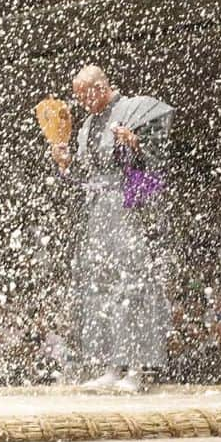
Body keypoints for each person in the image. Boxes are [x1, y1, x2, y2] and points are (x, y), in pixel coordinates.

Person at [52, 65, 174, 392]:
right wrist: (65, 164)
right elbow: (83, 176)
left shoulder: (131, 110)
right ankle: (110, 365)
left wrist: (135, 144)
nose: (82, 103)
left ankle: (136, 368)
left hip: (128, 204)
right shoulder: (87, 126)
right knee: (101, 284)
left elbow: (156, 163)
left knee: (132, 283)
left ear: (101, 86)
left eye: (85, 95)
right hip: (99, 211)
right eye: (77, 97)